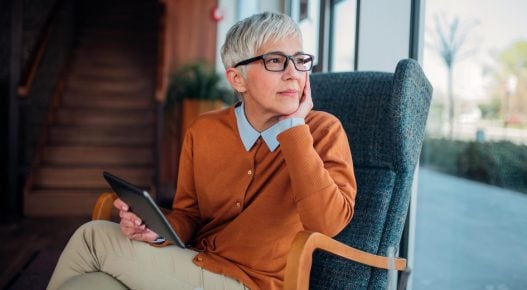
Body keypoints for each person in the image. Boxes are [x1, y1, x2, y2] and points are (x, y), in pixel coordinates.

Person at [47, 11, 356, 290]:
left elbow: (326, 224)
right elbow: (189, 215)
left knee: (92, 238)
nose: (293, 73)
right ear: (237, 78)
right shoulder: (204, 130)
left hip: (252, 283)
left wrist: (293, 129)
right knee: (90, 284)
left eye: (300, 60)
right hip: (194, 264)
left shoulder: (322, 131)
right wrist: (153, 230)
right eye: (275, 61)